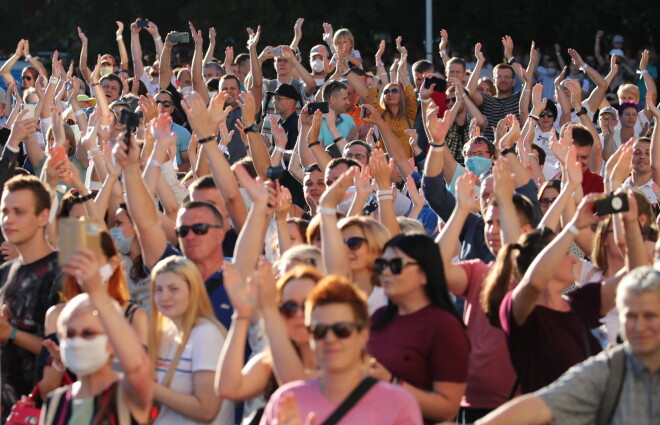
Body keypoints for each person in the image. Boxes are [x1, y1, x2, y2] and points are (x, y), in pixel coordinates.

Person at [444, 266, 660, 425]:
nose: (639, 327)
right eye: (630, 316)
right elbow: (542, 404)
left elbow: (636, 263)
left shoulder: (584, 292)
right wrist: (572, 226)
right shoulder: (589, 271)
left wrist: (627, 225)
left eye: (649, 316)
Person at [498, 194, 626, 393]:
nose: (574, 260)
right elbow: (533, 284)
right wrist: (572, 227)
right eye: (566, 253)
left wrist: (632, 226)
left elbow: (635, 274)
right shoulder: (521, 310)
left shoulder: (581, 303)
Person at [260, 275, 423, 424]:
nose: (330, 339)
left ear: (364, 334)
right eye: (319, 331)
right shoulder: (286, 400)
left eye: (342, 330)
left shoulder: (398, 403)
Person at [40, 248, 152, 425]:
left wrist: (97, 292)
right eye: (69, 334)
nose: (77, 341)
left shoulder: (128, 394)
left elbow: (139, 367)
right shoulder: (56, 402)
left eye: (88, 333)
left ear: (112, 341)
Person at [368, 233, 470, 424]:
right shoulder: (379, 317)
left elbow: (447, 409)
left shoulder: (444, 327)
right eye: (382, 265)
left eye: (396, 266)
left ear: (425, 274)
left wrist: (392, 383)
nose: (386, 273)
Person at [216, 264, 322, 423]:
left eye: (307, 305)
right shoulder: (271, 362)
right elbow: (228, 388)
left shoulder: (340, 360)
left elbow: (297, 387)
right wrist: (241, 315)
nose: (299, 314)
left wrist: (268, 309)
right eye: (289, 307)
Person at [0, 175, 63, 420]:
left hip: (42, 412)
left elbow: (66, 353)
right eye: (4, 211)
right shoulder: (5, 272)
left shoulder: (63, 274)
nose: (8, 219)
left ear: (43, 216)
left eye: (19, 212)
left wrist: (13, 334)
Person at [150, 255, 232, 425]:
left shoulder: (205, 335)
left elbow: (207, 410)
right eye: (158, 289)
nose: (164, 297)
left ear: (193, 290)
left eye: (173, 289)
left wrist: (149, 388)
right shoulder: (165, 334)